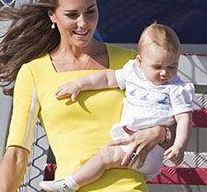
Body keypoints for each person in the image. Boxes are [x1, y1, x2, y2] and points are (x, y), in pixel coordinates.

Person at [0, 0, 176, 191]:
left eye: (90, 12)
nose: (83, 23)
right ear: (52, 15)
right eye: (72, 15)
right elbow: (16, 154)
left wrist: (161, 133)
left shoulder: (129, 63)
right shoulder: (33, 72)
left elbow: (174, 129)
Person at [39, 23, 195, 192]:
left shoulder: (177, 89)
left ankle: (68, 184)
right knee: (107, 155)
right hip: (129, 142)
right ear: (140, 62)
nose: (164, 73)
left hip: (149, 151)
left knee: (106, 156)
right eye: (157, 67)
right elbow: (107, 79)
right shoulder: (133, 73)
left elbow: (184, 119)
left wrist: (179, 146)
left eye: (172, 67)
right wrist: (79, 85)